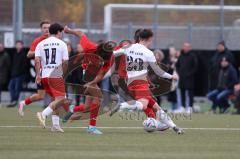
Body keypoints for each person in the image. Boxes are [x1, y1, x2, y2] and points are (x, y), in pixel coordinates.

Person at [114, 29, 184, 134]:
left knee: (156, 107)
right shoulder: (148, 53)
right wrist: (171, 76)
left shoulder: (128, 47)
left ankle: (175, 127)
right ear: (149, 39)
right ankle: (122, 106)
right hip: (141, 82)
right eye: (151, 40)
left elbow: (114, 53)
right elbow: (159, 72)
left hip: (130, 83)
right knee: (144, 104)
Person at [63, 26, 114, 135]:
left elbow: (101, 75)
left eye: (105, 60)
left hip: (93, 78)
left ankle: (72, 109)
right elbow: (81, 33)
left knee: (87, 107)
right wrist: (69, 31)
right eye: (102, 58)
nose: (103, 61)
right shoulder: (90, 47)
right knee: (98, 98)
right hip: (86, 75)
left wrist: (92, 83)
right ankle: (91, 127)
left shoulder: (110, 58)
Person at [35, 23, 69, 132]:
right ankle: (43, 114)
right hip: (56, 75)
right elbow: (65, 62)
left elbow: (37, 61)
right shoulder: (62, 44)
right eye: (61, 32)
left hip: (44, 76)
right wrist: (63, 73)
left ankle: (55, 125)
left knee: (56, 99)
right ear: (59, 32)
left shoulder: (41, 44)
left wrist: (38, 74)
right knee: (61, 99)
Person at [18, 20, 50, 116]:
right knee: (41, 96)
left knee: (57, 95)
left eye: (48, 27)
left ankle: (54, 120)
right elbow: (29, 54)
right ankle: (23, 103)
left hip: (53, 71)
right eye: (44, 28)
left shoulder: (53, 40)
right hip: (42, 71)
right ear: (41, 29)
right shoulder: (38, 41)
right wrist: (40, 51)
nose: (46, 29)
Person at [176, 42, 198, 114]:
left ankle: (190, 107)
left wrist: (189, 74)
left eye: (187, 46)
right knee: (182, 92)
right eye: (184, 46)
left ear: (190, 48)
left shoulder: (193, 56)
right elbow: (177, 65)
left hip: (190, 79)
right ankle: (182, 107)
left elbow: (195, 67)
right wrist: (180, 73)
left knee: (190, 93)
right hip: (182, 78)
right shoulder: (181, 56)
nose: (185, 48)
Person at [7, 40, 28, 107]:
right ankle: (13, 100)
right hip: (13, 75)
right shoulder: (15, 54)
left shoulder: (24, 54)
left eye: (20, 44)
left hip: (20, 75)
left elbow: (25, 66)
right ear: (15, 46)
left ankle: (15, 101)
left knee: (17, 89)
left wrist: (20, 73)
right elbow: (12, 65)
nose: (18, 46)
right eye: (17, 45)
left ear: (22, 46)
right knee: (10, 87)